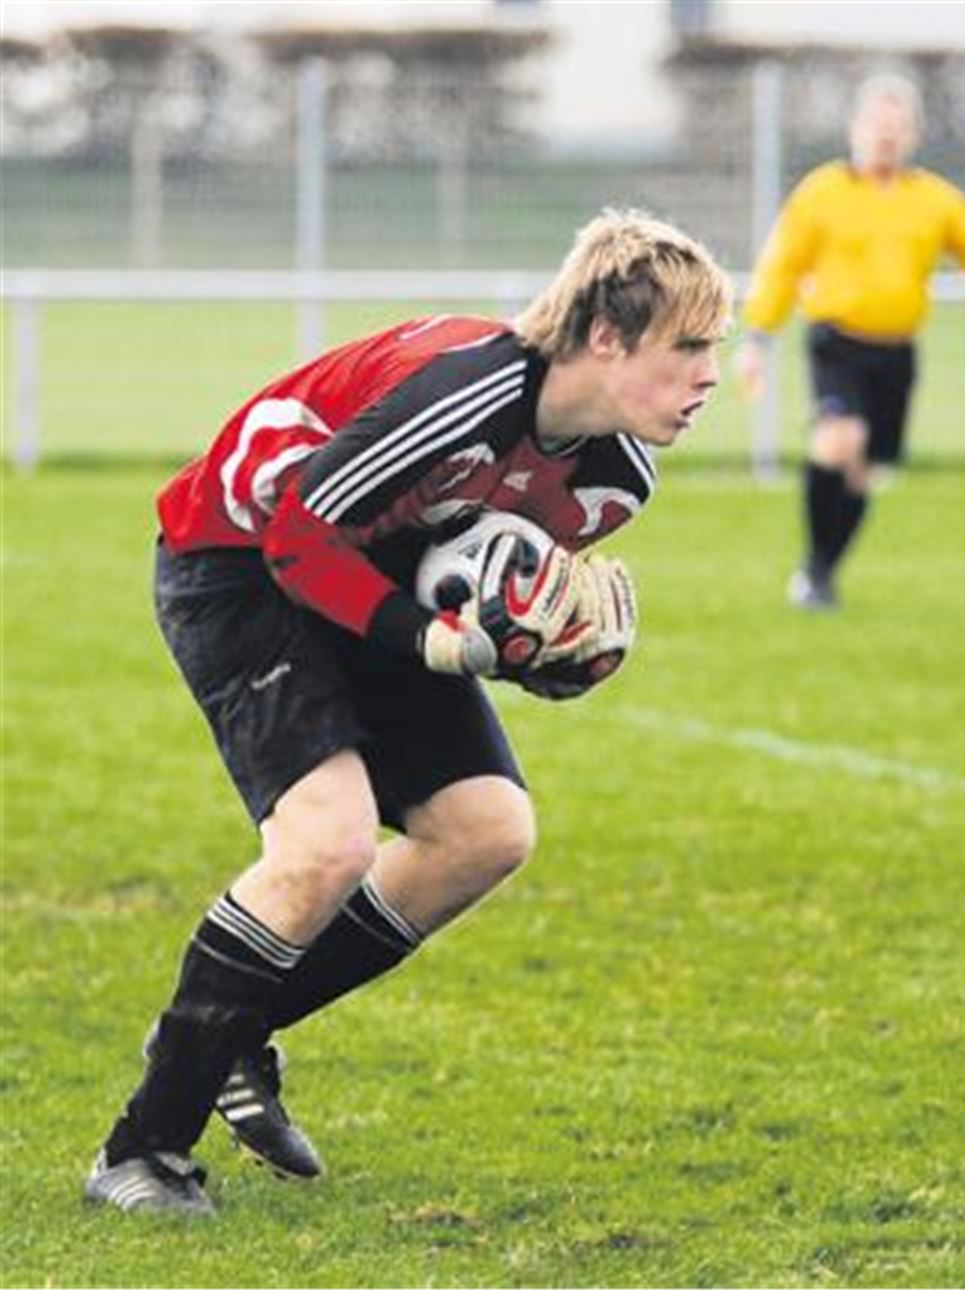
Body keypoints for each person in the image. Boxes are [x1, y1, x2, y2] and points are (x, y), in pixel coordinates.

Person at [85, 209, 733, 1215]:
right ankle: (141, 1152)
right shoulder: (467, 391)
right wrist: (428, 640)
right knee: (325, 843)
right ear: (606, 337)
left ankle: (233, 1035)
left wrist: (543, 654)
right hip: (238, 561)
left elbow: (460, 578)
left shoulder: (614, 477)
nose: (712, 376)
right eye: (689, 346)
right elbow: (301, 538)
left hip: (365, 585)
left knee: (486, 831)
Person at [736, 73, 965, 610]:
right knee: (838, 439)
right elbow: (781, 268)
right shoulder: (823, 192)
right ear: (856, 129)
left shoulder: (933, 200)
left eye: (896, 128)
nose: (885, 137)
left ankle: (823, 573)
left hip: (896, 351)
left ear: (912, 135)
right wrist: (757, 339)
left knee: (864, 470)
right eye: (876, 126)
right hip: (836, 342)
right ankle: (814, 571)